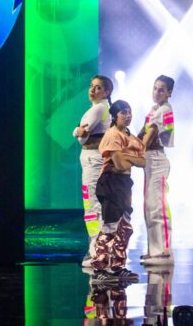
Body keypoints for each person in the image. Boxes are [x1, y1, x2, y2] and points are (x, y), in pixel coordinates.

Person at [91, 100, 146, 284]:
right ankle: (99, 269)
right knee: (110, 227)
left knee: (125, 227)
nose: (128, 115)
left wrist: (126, 155)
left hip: (124, 184)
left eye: (129, 112)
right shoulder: (113, 135)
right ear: (115, 116)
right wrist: (132, 157)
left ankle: (117, 266)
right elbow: (120, 164)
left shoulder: (129, 136)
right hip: (111, 182)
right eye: (123, 112)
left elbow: (143, 161)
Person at [74, 75, 114, 268]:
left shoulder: (99, 108)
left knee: (93, 206)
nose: (92, 90)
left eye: (98, 87)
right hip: (91, 160)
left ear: (106, 92)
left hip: (94, 160)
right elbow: (81, 133)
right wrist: (78, 131)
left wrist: (76, 131)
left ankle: (98, 252)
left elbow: (82, 136)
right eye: (91, 86)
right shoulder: (98, 108)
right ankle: (97, 249)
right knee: (93, 206)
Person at [139, 75, 176, 266]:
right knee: (149, 206)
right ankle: (154, 250)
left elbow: (150, 133)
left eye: (161, 89)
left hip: (156, 159)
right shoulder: (154, 109)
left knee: (158, 207)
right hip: (149, 160)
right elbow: (141, 133)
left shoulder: (164, 109)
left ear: (169, 92)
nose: (156, 92)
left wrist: (136, 150)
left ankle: (163, 252)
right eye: (155, 88)